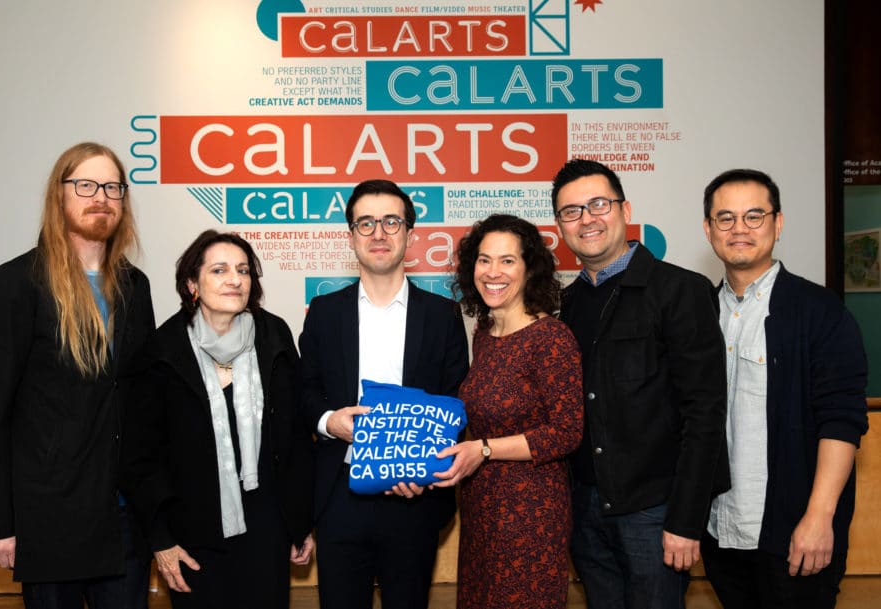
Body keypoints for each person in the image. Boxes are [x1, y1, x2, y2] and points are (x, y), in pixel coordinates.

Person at [551, 158, 730, 609]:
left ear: (625, 210)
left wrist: (687, 520)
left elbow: (705, 413)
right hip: (586, 512)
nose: (586, 219)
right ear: (560, 226)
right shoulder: (564, 306)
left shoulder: (680, 290)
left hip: (656, 513)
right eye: (571, 211)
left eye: (598, 204)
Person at [0, 142, 155, 608]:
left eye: (112, 187)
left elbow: (142, 399)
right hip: (48, 519)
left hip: (123, 518)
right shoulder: (13, 285)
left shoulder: (134, 287)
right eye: (85, 185)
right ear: (59, 196)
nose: (99, 197)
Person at [700, 169, 869, 609]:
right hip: (721, 531)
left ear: (778, 223)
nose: (740, 228)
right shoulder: (695, 314)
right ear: (708, 229)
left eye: (754, 216)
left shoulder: (820, 310)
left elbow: (842, 421)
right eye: (726, 218)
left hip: (796, 533)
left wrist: (819, 517)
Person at [120, 230, 314, 609]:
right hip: (191, 538)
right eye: (220, 270)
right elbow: (140, 457)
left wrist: (300, 521)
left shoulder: (273, 335)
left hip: (267, 533)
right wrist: (160, 538)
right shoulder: (162, 351)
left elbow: (294, 438)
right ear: (193, 282)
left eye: (243, 271)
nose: (235, 279)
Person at [299, 179, 469, 609]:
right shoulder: (324, 313)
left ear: (410, 235)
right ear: (351, 235)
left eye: (392, 221)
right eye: (366, 223)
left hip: (415, 496)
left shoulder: (443, 316)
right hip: (339, 493)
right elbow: (304, 390)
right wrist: (329, 421)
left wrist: (425, 466)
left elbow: (455, 400)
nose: (379, 233)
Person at [431, 213, 584, 609]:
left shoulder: (551, 337)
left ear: (530, 269)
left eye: (507, 261)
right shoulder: (485, 334)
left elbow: (566, 432)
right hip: (482, 511)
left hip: (531, 516)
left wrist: (483, 450)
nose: (493, 272)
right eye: (484, 260)